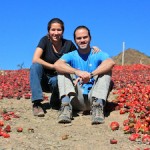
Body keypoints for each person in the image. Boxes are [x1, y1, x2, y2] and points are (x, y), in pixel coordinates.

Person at [30, 18, 100, 117]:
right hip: (44, 80)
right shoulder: (45, 41)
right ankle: (37, 104)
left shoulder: (68, 44)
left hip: (59, 81)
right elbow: (35, 59)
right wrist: (54, 66)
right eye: (53, 30)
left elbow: (79, 53)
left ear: (63, 31)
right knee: (35, 66)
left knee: (58, 79)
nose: (56, 32)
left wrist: (92, 48)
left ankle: (55, 101)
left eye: (59, 30)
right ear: (48, 31)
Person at [54, 25, 115, 125]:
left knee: (106, 71)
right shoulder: (71, 55)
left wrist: (91, 75)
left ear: (90, 38)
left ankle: (98, 109)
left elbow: (110, 63)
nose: (82, 40)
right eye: (79, 38)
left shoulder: (98, 54)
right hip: (76, 99)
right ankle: (65, 106)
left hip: (94, 97)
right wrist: (77, 72)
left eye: (85, 37)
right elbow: (57, 64)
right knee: (62, 69)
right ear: (75, 40)